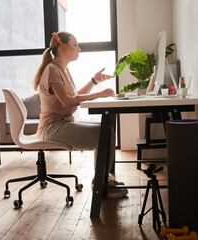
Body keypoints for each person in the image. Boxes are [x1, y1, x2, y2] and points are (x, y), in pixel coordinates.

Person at [33, 31, 128, 198]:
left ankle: (103, 179)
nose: (79, 49)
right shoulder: (52, 70)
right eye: (75, 44)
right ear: (62, 47)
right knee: (104, 133)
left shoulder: (62, 69)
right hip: (52, 128)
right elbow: (67, 102)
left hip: (63, 123)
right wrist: (99, 94)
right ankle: (101, 183)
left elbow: (74, 96)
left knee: (107, 129)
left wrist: (94, 81)